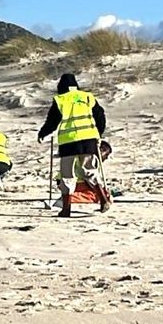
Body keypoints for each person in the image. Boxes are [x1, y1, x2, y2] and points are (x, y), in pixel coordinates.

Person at [37, 73, 110, 217]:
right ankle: (103, 199)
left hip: (69, 143)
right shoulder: (87, 97)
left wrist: (42, 133)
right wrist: (98, 134)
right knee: (89, 170)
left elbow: (53, 121)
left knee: (67, 176)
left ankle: (66, 209)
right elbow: (100, 115)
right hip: (89, 140)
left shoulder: (60, 100)